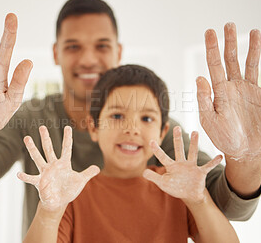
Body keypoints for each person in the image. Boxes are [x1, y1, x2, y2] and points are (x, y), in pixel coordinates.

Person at [0, 0, 261, 235]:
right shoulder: (31, 117)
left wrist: (248, 157)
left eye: (102, 46)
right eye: (73, 46)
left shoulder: (159, 133)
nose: (88, 59)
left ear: (118, 51)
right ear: (56, 53)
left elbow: (229, 208)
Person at [18, 64, 239, 243]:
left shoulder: (177, 187)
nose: (131, 128)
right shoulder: (73, 193)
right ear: (93, 127)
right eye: (116, 116)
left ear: (163, 132)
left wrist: (200, 201)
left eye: (146, 118)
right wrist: (49, 212)